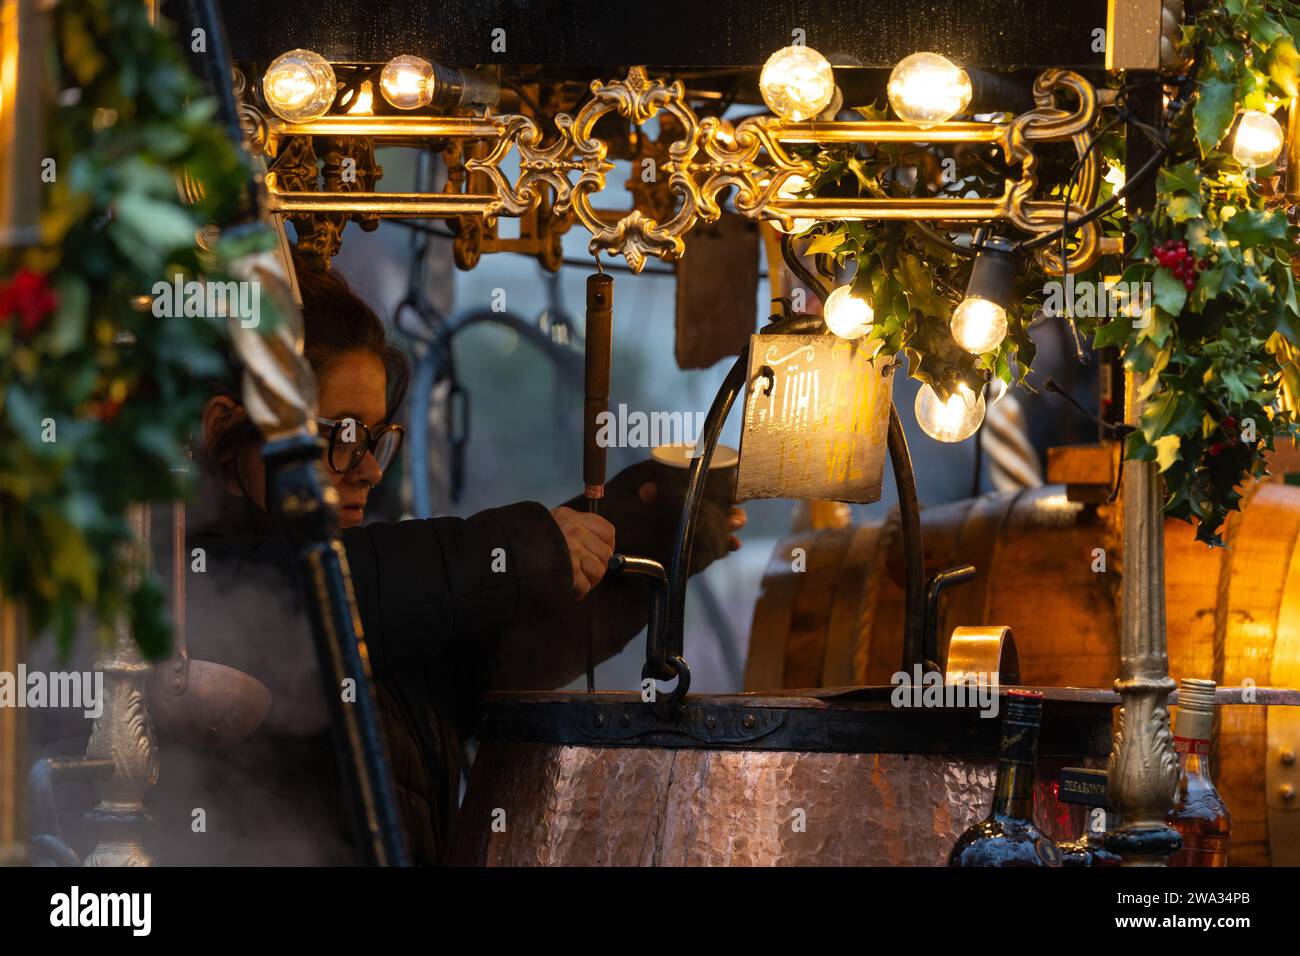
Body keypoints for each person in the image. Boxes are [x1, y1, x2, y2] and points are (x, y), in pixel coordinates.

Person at [144, 259, 745, 865]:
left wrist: (641, 531)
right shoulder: (179, 580)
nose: (371, 470)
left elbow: (491, 653)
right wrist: (530, 547)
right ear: (225, 427)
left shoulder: (387, 604)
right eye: (343, 434)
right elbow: (324, 586)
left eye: (375, 439)